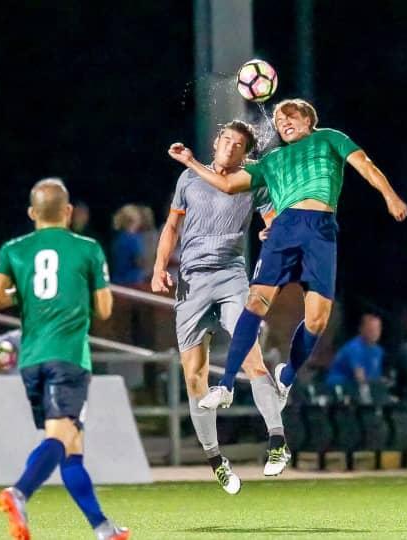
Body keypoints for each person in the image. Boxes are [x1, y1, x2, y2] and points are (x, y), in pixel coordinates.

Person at [167, 98, 407, 417]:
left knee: (318, 319)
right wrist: (191, 162)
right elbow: (226, 184)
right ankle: (225, 384)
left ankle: (287, 375)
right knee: (254, 304)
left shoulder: (329, 138)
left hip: (321, 231)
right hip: (285, 230)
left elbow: (365, 165)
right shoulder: (272, 160)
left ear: (309, 120)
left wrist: (389, 195)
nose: (283, 122)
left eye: (291, 116)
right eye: (279, 120)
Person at [0, 178, 129, 540]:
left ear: (33, 212)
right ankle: (19, 492)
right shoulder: (88, 248)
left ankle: (103, 528)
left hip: (31, 359)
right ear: (68, 212)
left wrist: (26, 293)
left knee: (70, 444)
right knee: (63, 437)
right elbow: (106, 308)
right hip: (68, 356)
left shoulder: (13, 249)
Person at [153, 120, 289, 487]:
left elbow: (275, 219)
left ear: (245, 153)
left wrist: (271, 230)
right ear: (216, 143)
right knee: (194, 375)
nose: (230, 147)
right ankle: (215, 458)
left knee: (251, 357)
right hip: (192, 283)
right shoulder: (189, 181)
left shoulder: (250, 181)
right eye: (226, 140)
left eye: (238, 144)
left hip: (231, 278)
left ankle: (277, 439)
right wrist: (158, 267)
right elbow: (171, 227)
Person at [325, 313, 385, 404]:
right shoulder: (355, 348)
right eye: (371, 329)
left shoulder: (378, 351)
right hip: (339, 387)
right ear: (361, 329)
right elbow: (359, 377)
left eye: (377, 329)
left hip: (358, 388)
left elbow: (375, 377)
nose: (375, 333)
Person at [110, 204, 145, 286]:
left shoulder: (118, 238)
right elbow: (139, 262)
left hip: (117, 282)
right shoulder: (133, 239)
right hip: (132, 284)